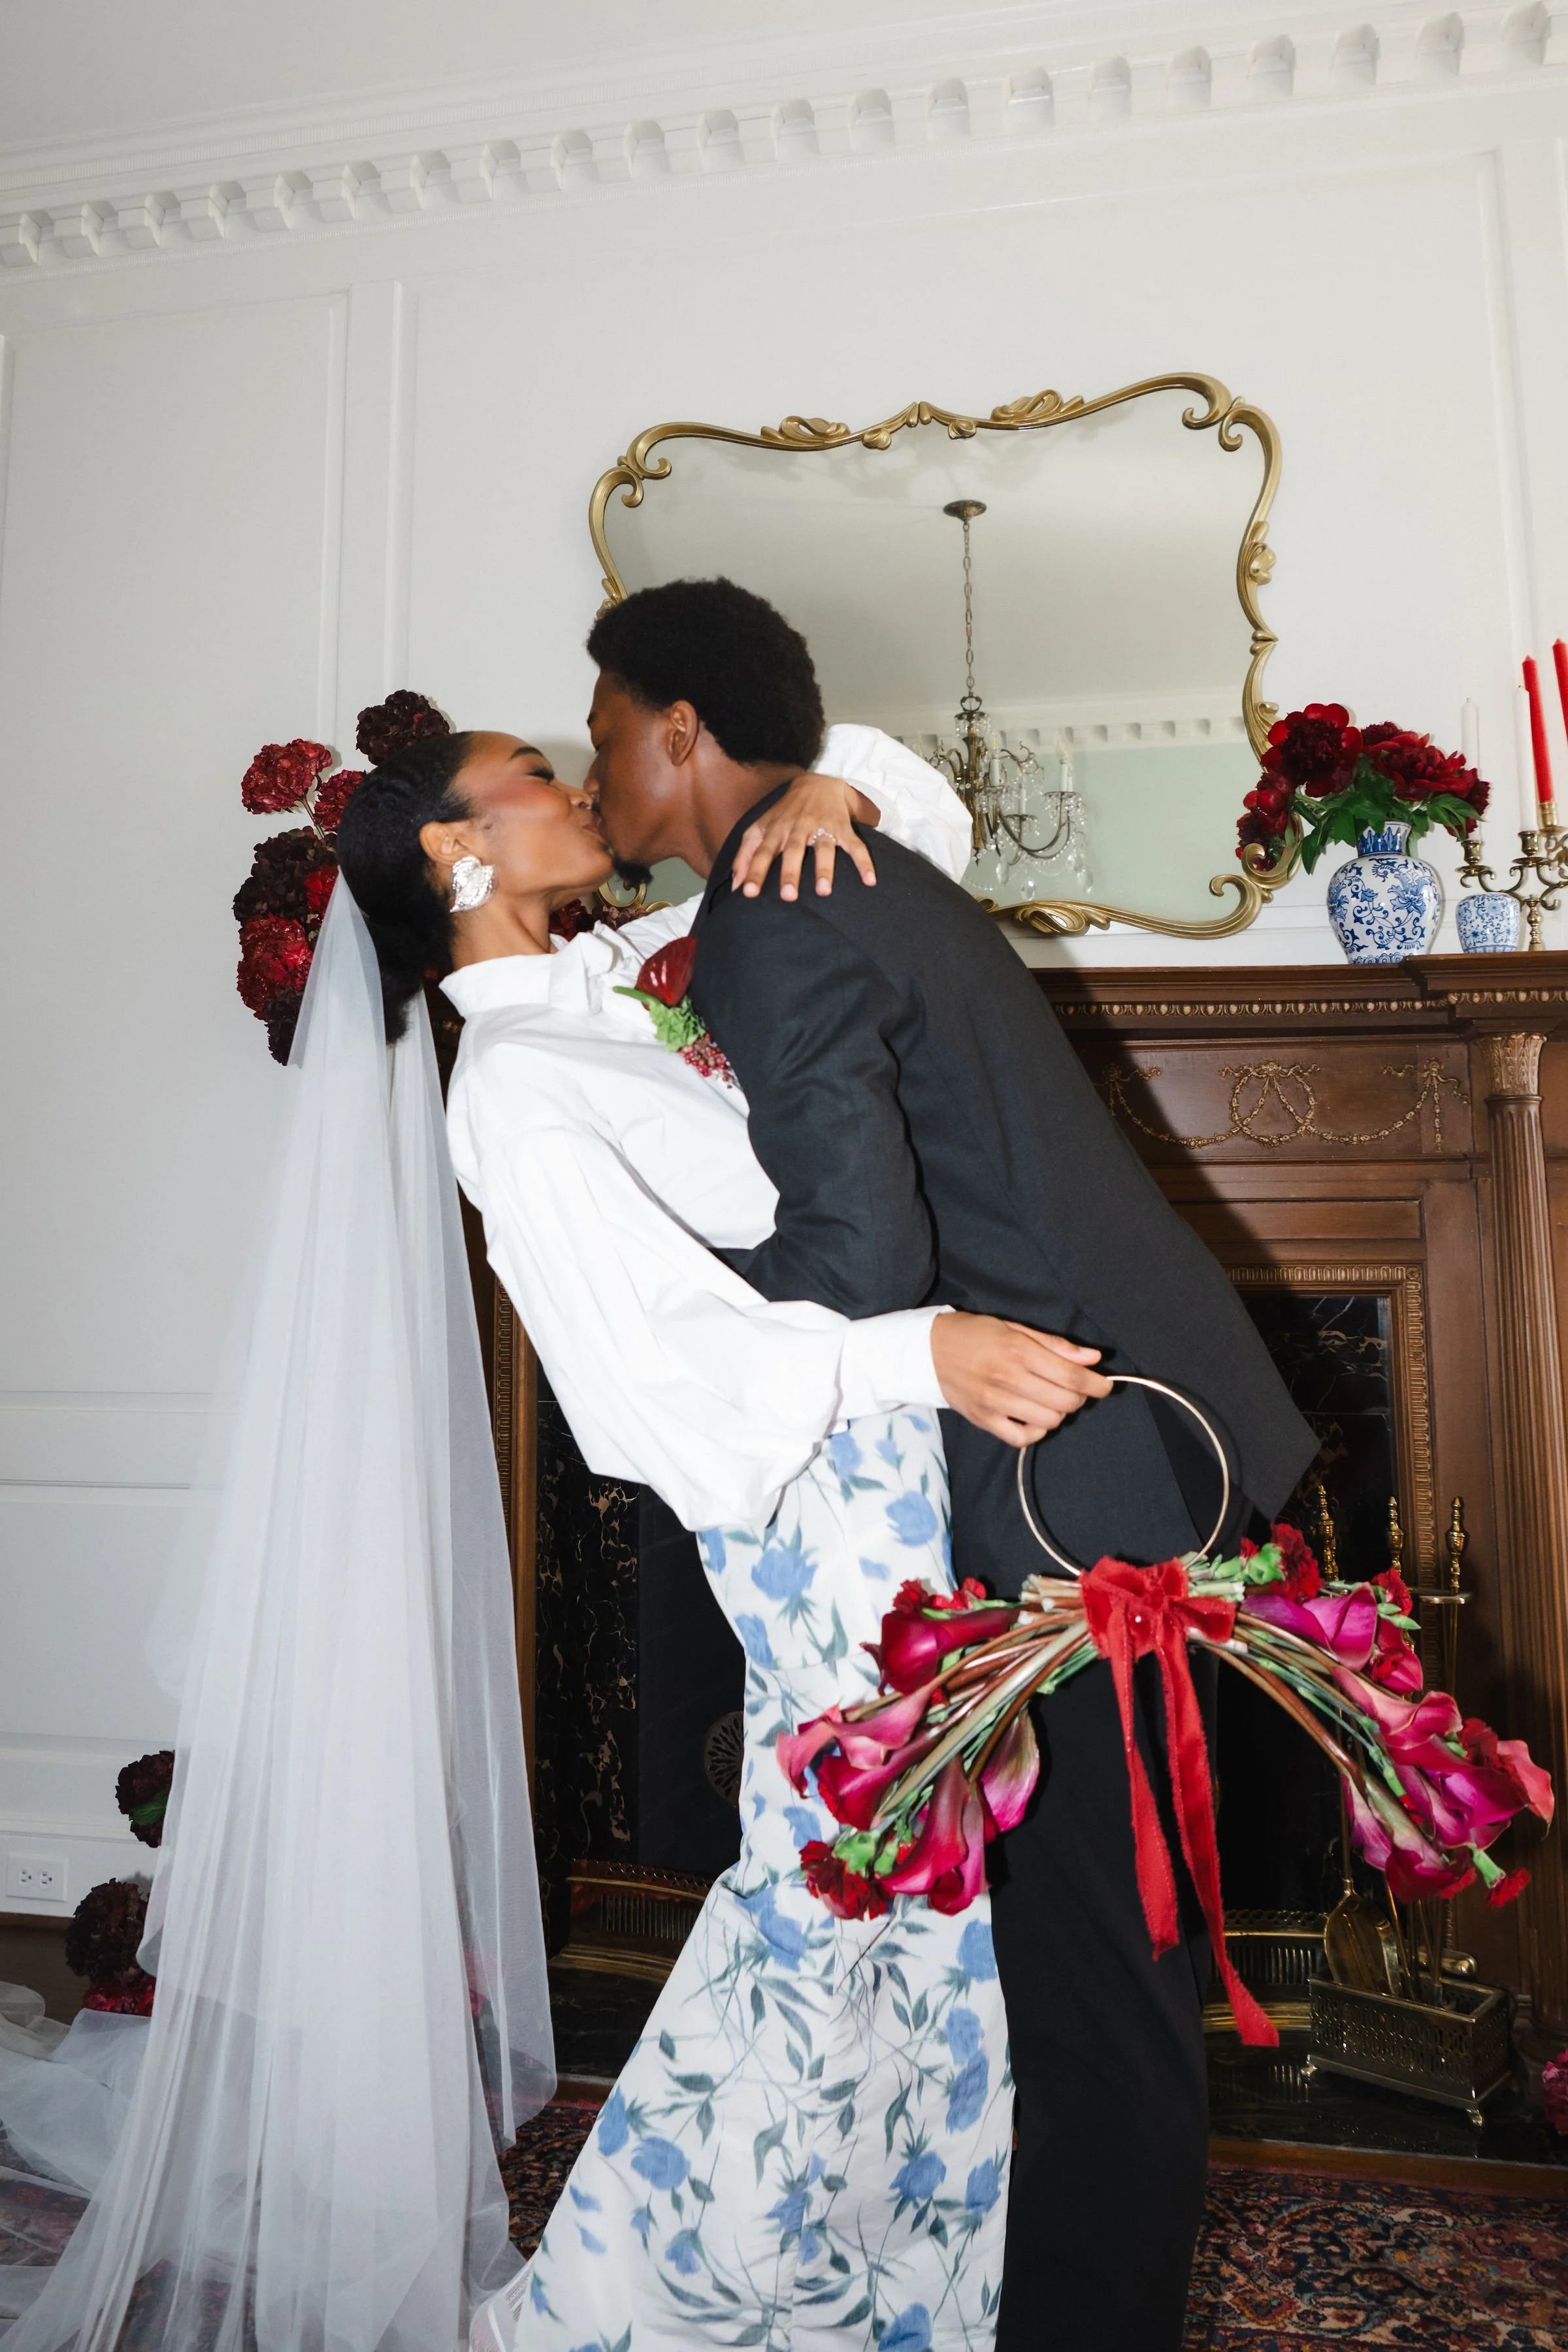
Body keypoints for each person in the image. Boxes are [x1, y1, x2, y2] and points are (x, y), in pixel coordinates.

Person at [583, 578, 1320, 2352]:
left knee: (1090, 1989)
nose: (592, 765)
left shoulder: (776, 907)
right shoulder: (841, 867)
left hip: (1072, 1484)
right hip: (1115, 1450)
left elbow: (852, 1258)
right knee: (1087, 1976)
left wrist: (665, 1307)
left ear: (685, 730)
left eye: (605, 732)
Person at [333, 708, 1103, 2352]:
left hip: (888, 1458)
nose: (565, 777)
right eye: (526, 778)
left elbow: (901, 838)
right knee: (834, 1892)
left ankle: (877, 2291)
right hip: (799, 1489)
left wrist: (820, 776)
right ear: (456, 851)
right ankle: (629, 2306)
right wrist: (923, 1352)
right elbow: (651, 1371)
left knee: (902, 1891)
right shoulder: (517, 1087)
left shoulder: (625, 981)